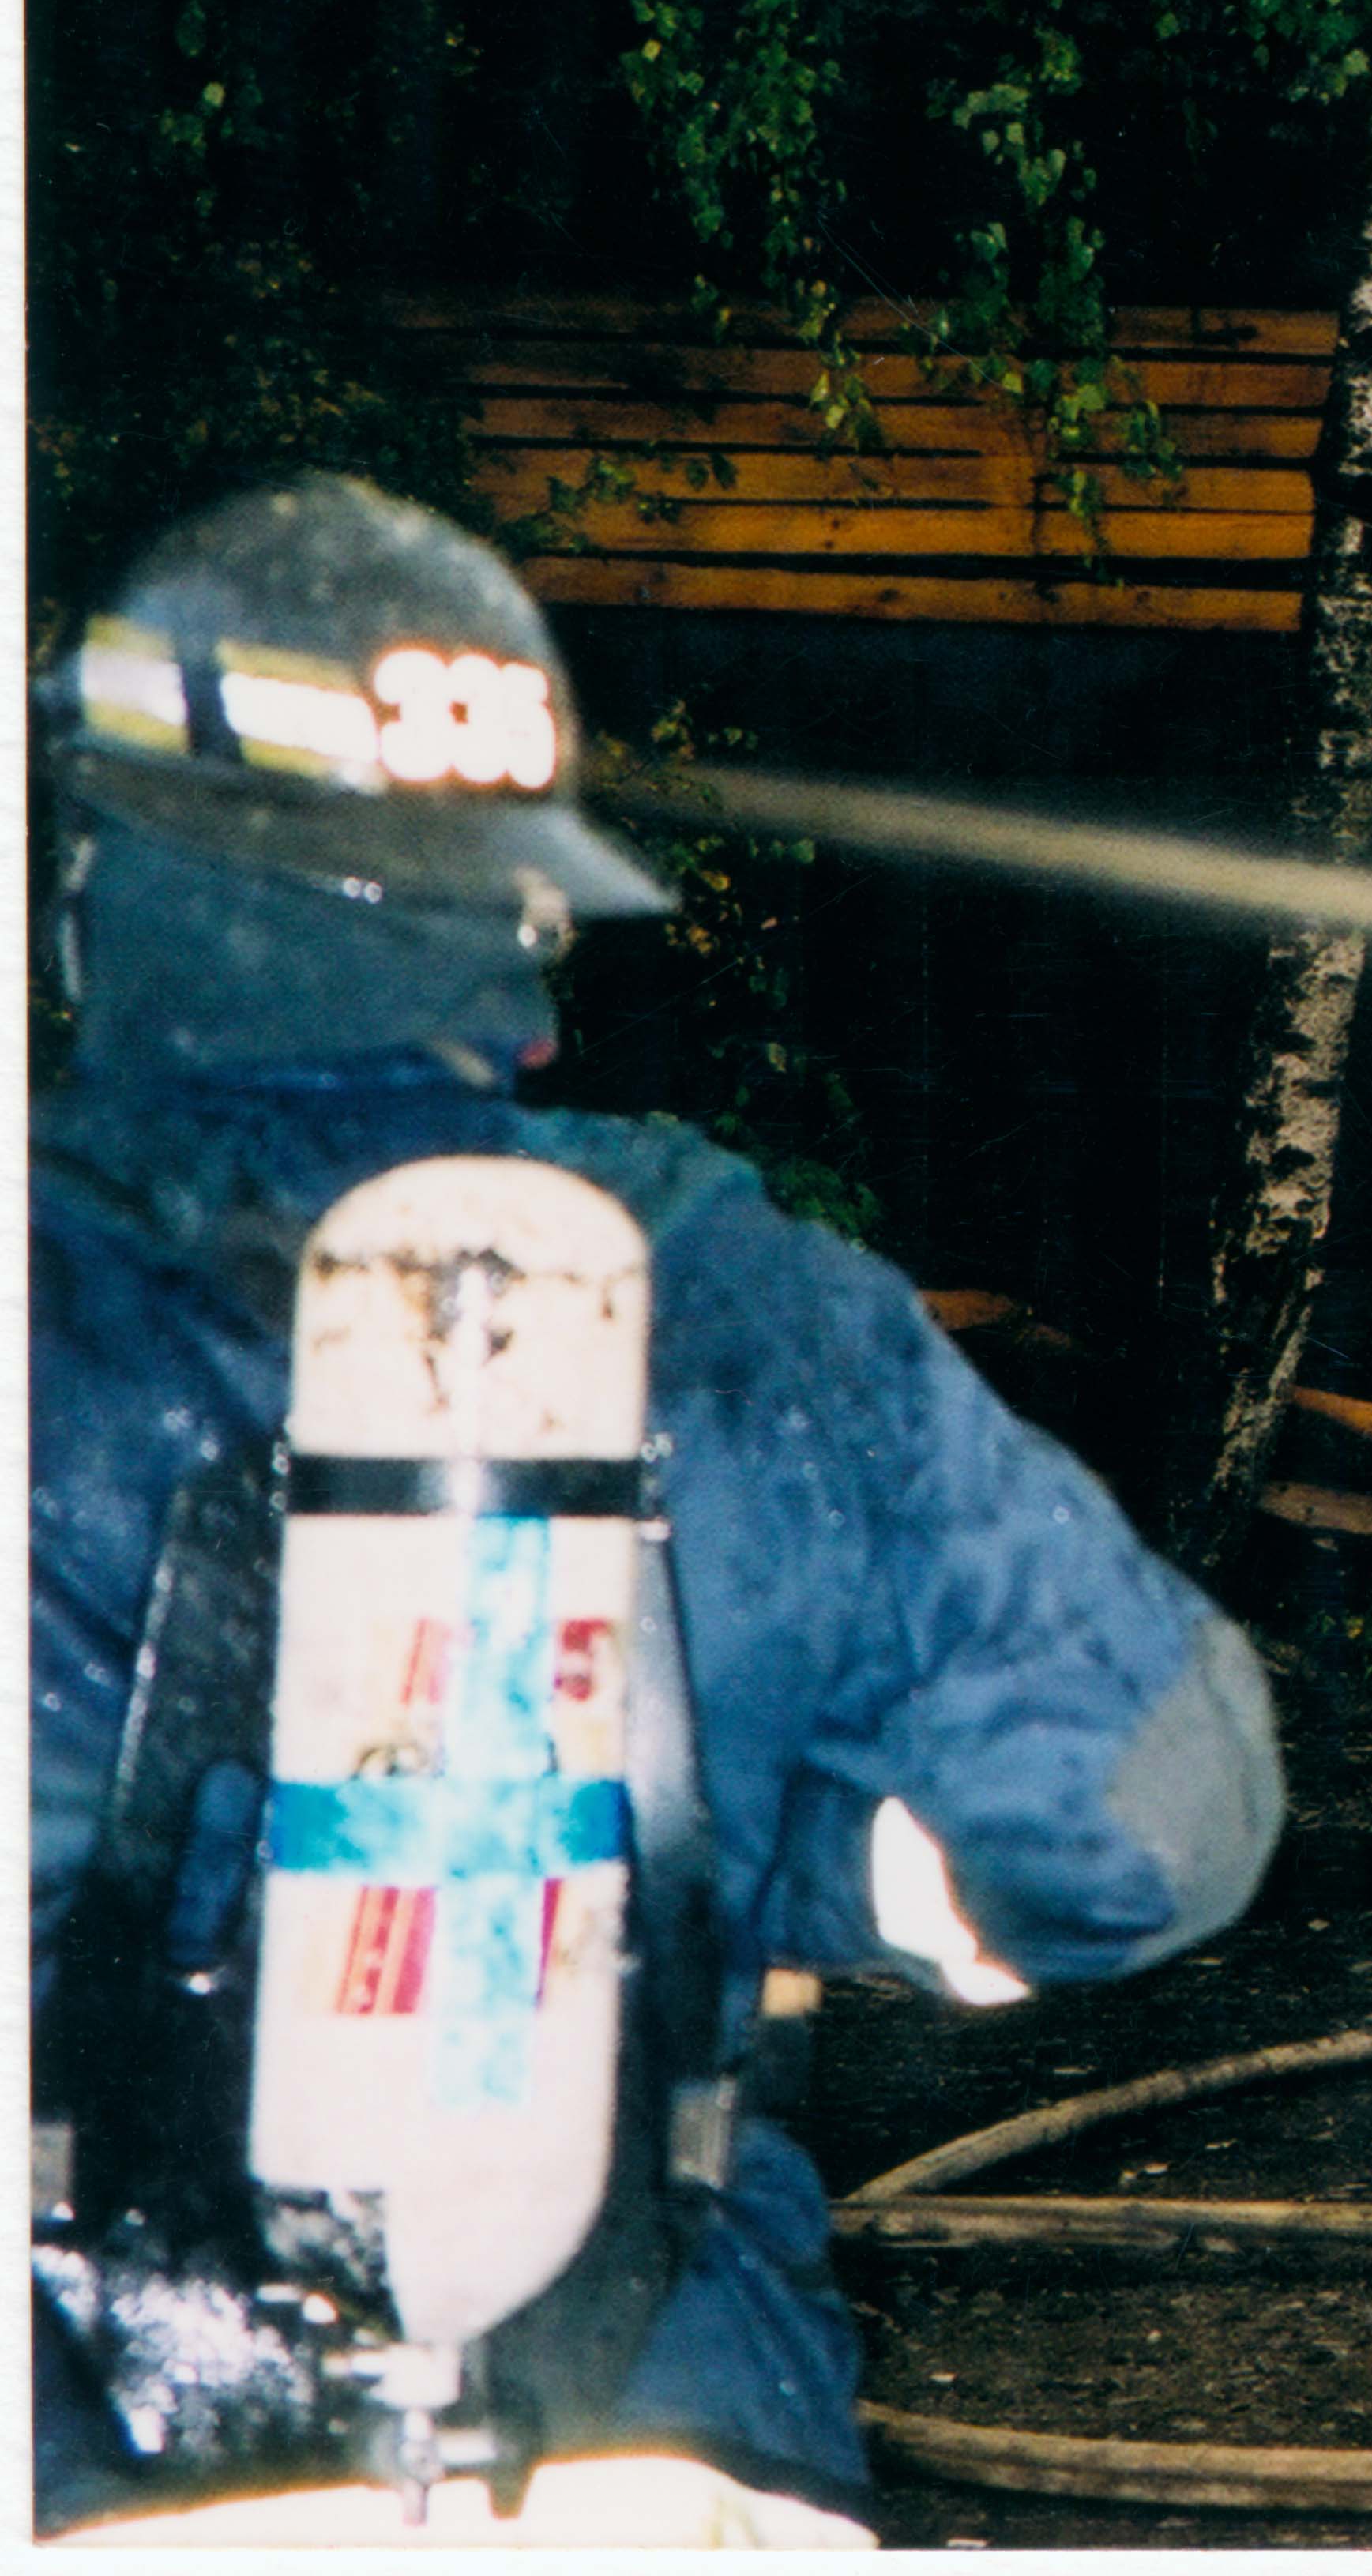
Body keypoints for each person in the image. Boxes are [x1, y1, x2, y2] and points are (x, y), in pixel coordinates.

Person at [32, 476, 1284, 2542]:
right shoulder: (722, 1276)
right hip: (658, 2468)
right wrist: (811, 1874)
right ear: (512, 918)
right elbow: (1157, 1832)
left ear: (100, 883)